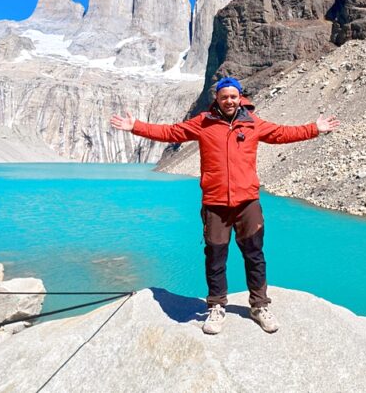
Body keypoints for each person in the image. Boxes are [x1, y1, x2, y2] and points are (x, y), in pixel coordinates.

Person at [110, 76, 339, 334]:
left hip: (247, 203)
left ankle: (259, 305)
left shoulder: (253, 124)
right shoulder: (203, 123)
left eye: (233, 96)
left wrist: (313, 129)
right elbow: (171, 132)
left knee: (254, 255)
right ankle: (217, 306)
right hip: (215, 203)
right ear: (217, 99)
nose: (229, 101)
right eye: (224, 96)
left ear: (240, 98)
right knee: (216, 258)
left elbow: (282, 134)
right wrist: (135, 126)